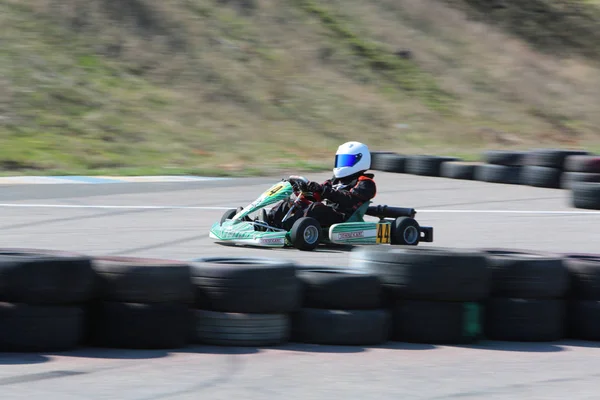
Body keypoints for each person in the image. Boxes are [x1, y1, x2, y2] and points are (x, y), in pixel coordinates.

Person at [265, 141, 377, 230]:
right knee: (292, 203)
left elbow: (349, 199)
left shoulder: (366, 183)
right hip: (329, 213)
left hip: (344, 218)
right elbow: (316, 195)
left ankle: (284, 228)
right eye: (341, 160)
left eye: (346, 160)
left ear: (360, 160)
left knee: (315, 208)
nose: (342, 164)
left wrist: (323, 190)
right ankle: (267, 222)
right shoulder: (336, 180)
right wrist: (302, 190)